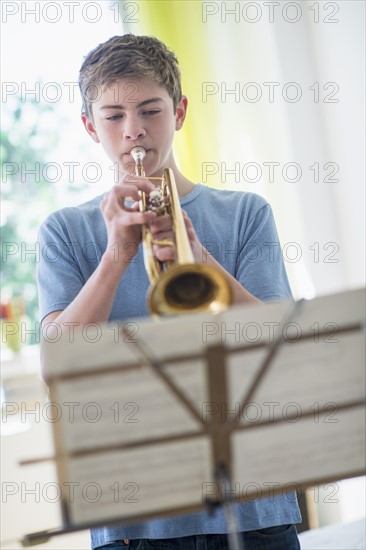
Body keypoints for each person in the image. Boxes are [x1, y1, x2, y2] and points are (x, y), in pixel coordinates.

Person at [37, 34, 301, 550]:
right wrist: (117, 253)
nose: (133, 131)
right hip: (134, 520)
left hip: (254, 509)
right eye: (113, 116)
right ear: (91, 127)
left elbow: (284, 349)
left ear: (178, 112)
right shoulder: (65, 230)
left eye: (150, 110)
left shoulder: (246, 214)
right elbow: (58, 367)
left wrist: (200, 258)